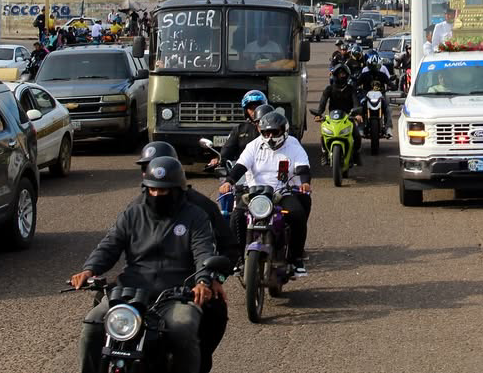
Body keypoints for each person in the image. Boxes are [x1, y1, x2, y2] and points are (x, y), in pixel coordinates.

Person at [70, 157, 218, 373]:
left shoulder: (195, 217)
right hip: (130, 293)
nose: (157, 195)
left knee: (183, 328)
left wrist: (203, 281)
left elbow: (204, 251)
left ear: (178, 190)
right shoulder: (132, 214)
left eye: (163, 190)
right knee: (92, 326)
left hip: (176, 295)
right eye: (152, 189)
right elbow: (109, 245)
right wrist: (89, 270)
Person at [135, 142, 234, 373]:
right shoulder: (138, 207)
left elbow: (230, 248)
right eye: (146, 168)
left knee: (214, 311)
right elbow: (115, 243)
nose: (151, 173)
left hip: (190, 283)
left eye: (156, 166)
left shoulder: (201, 207)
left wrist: (214, 278)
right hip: (147, 282)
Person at [220, 111, 312, 276]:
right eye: (266, 132)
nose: (270, 136)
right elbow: (241, 166)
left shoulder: (293, 145)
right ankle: (238, 259)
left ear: (284, 130)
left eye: (274, 132)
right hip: (255, 193)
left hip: (283, 192)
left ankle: (296, 259)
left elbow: (302, 167)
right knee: (237, 217)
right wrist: (229, 181)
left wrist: (305, 183)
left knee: (297, 215)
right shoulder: (254, 145)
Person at [314, 63, 363, 166]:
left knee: (357, 136)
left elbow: (356, 102)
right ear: (335, 75)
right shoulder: (329, 89)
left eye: (344, 74)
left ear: (347, 75)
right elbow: (322, 103)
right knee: (324, 134)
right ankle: (325, 154)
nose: (342, 76)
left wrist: (357, 114)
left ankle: (356, 155)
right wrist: (318, 114)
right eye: (340, 74)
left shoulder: (351, 89)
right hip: (332, 118)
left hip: (348, 117)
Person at [359, 50, 393, 136]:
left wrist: (393, 85)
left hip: (381, 96)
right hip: (367, 96)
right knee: (360, 108)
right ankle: (361, 127)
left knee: (388, 109)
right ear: (368, 65)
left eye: (376, 65)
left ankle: (388, 128)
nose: (374, 68)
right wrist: (354, 86)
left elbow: (389, 82)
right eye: (372, 65)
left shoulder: (382, 75)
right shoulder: (364, 75)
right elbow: (357, 83)